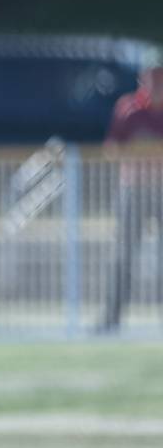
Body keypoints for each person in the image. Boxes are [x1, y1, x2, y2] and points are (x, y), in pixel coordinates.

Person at [99, 65, 163, 332]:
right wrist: (138, 155)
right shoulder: (128, 108)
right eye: (151, 77)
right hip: (134, 188)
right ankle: (111, 317)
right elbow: (111, 149)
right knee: (123, 254)